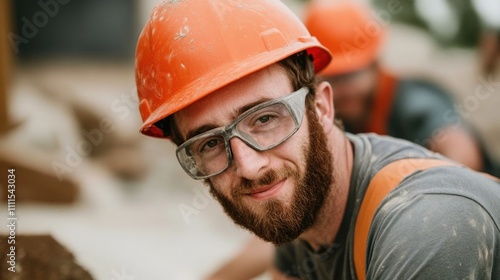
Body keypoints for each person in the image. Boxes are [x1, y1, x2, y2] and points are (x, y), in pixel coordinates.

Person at [135, 0, 500, 279]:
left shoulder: (431, 226)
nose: (248, 165)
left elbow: (457, 151)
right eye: (210, 143)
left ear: (323, 108)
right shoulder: (299, 230)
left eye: (264, 119)